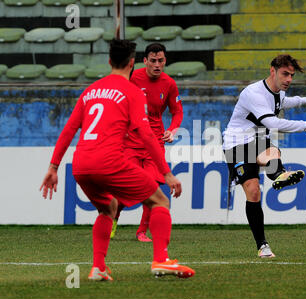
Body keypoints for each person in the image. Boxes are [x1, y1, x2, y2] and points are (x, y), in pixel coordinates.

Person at [39, 39, 195, 280]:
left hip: (81, 165)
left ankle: (98, 268)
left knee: (107, 208)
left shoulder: (90, 90)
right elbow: (145, 134)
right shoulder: (132, 91)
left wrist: (53, 167)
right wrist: (167, 173)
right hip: (109, 160)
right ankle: (161, 260)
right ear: (133, 63)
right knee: (160, 201)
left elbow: (69, 129)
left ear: (109, 61)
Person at [222, 54, 306, 258]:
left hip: (258, 140)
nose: (288, 79)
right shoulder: (254, 93)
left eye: (291, 75)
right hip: (236, 143)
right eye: (285, 74)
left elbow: (284, 103)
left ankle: (278, 174)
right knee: (253, 192)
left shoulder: (278, 92)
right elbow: (274, 123)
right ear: (272, 71)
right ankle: (263, 245)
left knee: (270, 150)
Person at [110, 43, 183, 242]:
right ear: (145, 61)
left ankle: (142, 231)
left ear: (165, 61)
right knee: (125, 188)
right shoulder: (133, 78)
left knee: (152, 188)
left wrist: (172, 130)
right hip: (131, 140)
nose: (157, 65)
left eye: (160, 60)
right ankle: (113, 220)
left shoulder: (169, 83)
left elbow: (177, 112)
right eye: (153, 61)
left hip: (155, 142)